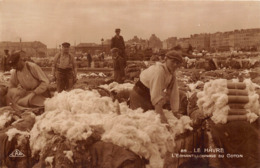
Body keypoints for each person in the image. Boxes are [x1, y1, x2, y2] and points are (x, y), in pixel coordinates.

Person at [129, 50, 183, 123]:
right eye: (173, 61)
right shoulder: (159, 71)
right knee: (141, 120)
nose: (175, 65)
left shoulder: (172, 73)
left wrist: (175, 112)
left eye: (177, 63)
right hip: (139, 94)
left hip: (149, 95)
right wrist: (161, 115)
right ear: (166, 59)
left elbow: (174, 93)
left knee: (153, 118)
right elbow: (156, 95)